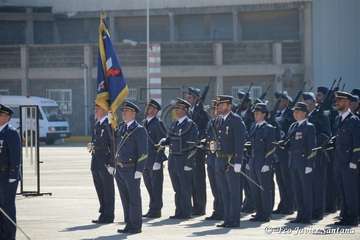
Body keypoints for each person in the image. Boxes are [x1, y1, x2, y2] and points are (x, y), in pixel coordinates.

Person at [159, 98, 199, 219]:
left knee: (185, 187)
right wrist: (164, 141)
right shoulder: (175, 123)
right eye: (176, 108)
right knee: (177, 188)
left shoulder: (190, 125)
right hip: (173, 159)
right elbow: (170, 138)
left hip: (183, 159)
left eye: (179, 109)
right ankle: (179, 211)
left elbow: (194, 145)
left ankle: (186, 212)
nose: (176, 111)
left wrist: (189, 162)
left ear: (185, 110)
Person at [115, 101, 148, 234]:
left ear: (133, 113)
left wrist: (140, 169)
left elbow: (143, 152)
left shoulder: (139, 129)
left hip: (131, 169)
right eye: (123, 111)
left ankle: (136, 225)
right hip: (120, 168)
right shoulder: (122, 127)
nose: (123, 113)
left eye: (126, 111)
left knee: (134, 198)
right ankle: (129, 223)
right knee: (125, 198)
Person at [215, 95, 246, 228]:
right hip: (221, 160)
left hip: (232, 161)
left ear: (229, 106)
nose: (219, 107)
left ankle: (235, 220)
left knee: (233, 192)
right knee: (224, 192)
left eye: (222, 105)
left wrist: (238, 161)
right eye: (219, 105)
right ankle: (227, 219)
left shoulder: (236, 120)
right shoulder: (221, 120)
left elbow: (239, 142)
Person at [302, 92, 331, 220]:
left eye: (308, 102)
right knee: (307, 185)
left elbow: (326, 134)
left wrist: (313, 141)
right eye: (304, 102)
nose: (306, 105)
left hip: (317, 154)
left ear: (314, 102)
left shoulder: (321, 115)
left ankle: (318, 212)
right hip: (305, 155)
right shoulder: (303, 117)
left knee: (318, 185)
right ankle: (308, 210)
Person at [333, 91, 359, 226]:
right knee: (342, 191)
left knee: (351, 191)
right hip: (339, 161)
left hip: (349, 163)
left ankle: (353, 218)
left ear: (348, 103)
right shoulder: (339, 119)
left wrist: (354, 162)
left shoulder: (354, 120)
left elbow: (357, 144)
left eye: (340, 100)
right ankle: (344, 215)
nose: (337, 102)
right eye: (337, 100)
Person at [287, 102, 316, 224]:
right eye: (294, 111)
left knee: (306, 190)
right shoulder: (293, 126)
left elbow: (312, 147)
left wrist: (310, 164)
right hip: (293, 162)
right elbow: (290, 143)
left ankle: (307, 216)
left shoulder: (309, 127)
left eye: (298, 111)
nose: (295, 113)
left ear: (304, 113)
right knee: (297, 190)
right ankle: (300, 214)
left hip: (304, 163)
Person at [248, 103, 276, 222]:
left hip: (263, 162)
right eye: (255, 113)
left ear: (264, 114)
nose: (256, 115)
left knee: (265, 189)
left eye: (258, 113)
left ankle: (266, 213)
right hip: (254, 162)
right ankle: (259, 211)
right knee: (255, 189)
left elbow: (271, 148)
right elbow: (251, 146)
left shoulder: (269, 129)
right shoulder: (253, 127)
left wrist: (267, 163)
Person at [89, 104, 116, 224]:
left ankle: (109, 215)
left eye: (98, 109)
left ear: (105, 110)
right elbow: (95, 140)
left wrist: (112, 163)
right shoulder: (97, 124)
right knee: (100, 188)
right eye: (95, 109)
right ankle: (103, 212)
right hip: (96, 161)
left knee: (108, 189)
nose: (95, 111)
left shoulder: (109, 124)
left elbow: (113, 144)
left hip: (105, 162)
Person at [142, 99, 167, 219]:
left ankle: (156, 210)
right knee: (149, 186)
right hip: (145, 161)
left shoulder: (158, 123)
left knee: (156, 186)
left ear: (156, 111)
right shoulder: (144, 123)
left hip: (154, 161)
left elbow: (162, 143)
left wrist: (158, 161)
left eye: (151, 108)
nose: (148, 110)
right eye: (148, 107)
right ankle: (152, 207)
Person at [186, 87, 209, 216]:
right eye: (188, 97)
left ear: (196, 98)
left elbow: (205, 130)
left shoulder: (202, 113)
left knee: (199, 180)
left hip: (198, 150)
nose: (188, 99)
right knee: (193, 180)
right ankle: (195, 205)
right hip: (190, 150)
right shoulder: (190, 112)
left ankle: (200, 207)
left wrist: (199, 140)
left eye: (190, 97)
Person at [0, 104, 21, 240]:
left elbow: (15, 156)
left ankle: (9, 236)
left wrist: (13, 175)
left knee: (7, 208)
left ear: (6, 117)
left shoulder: (11, 133)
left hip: (7, 177)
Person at [273, 92, 295, 215]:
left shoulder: (291, 114)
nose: (278, 103)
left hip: (286, 151)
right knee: (280, 180)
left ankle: (290, 206)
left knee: (287, 180)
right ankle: (283, 204)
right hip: (277, 151)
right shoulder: (277, 114)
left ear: (286, 101)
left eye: (280, 101)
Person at [204, 100, 223, 220]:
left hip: (219, 157)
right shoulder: (211, 122)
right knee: (214, 186)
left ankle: (223, 210)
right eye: (212, 109)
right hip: (211, 156)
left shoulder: (222, 122)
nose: (213, 111)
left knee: (221, 186)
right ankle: (217, 210)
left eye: (215, 108)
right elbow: (210, 139)